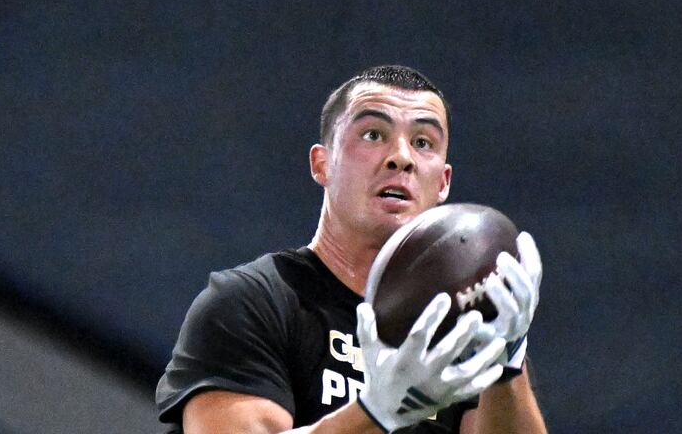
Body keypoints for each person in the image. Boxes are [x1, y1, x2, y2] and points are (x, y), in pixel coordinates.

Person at [156, 65, 547, 433]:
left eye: (423, 141)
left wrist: (506, 360)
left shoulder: (462, 320)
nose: (401, 157)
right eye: (374, 135)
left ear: (443, 183)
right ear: (322, 163)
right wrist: (377, 411)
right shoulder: (250, 303)